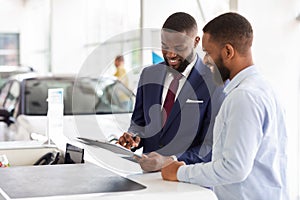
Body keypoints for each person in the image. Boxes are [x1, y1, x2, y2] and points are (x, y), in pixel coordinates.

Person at [161, 12, 288, 200]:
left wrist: (180, 172)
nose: (205, 60)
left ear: (228, 52)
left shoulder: (244, 97)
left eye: (208, 52)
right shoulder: (263, 88)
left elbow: (234, 168)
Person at [118, 12, 225, 172]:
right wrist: (134, 137)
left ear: (196, 42)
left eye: (179, 48)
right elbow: (138, 123)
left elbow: (210, 146)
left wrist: (170, 161)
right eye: (165, 47)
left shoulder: (214, 82)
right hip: (148, 179)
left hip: (188, 182)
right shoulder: (149, 74)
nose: (170, 54)